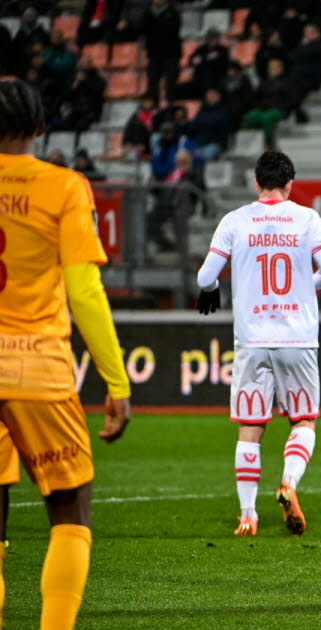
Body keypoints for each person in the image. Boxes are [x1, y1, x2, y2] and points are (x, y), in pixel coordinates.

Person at [0, 78, 132, 629]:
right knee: (69, 510)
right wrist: (117, 383)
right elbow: (84, 292)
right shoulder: (65, 187)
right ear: (39, 127)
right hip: (38, 368)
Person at [195, 151, 321, 537]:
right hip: (298, 338)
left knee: (250, 429)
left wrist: (210, 290)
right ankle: (288, 482)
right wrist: (305, 285)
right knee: (304, 420)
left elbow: (206, 276)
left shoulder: (235, 221)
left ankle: (248, 516)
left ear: (256, 183)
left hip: (252, 341)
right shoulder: (306, 218)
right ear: (290, 184)